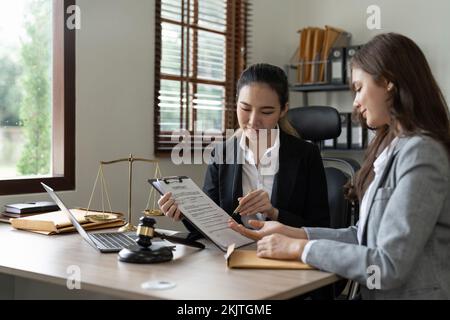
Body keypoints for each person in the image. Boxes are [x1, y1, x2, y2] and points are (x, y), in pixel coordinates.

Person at [229, 33, 450, 300]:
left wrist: (299, 249)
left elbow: (389, 265)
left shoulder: (422, 153)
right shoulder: (393, 149)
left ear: (389, 82)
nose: (355, 102)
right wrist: (294, 233)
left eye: (358, 88)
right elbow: (362, 237)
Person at [158, 63, 330, 233]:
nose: (253, 120)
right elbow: (209, 222)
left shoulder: (307, 155)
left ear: (283, 109)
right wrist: (185, 213)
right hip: (234, 251)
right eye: (246, 108)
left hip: (284, 252)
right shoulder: (222, 153)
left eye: (266, 112)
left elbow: (321, 228)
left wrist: (273, 212)